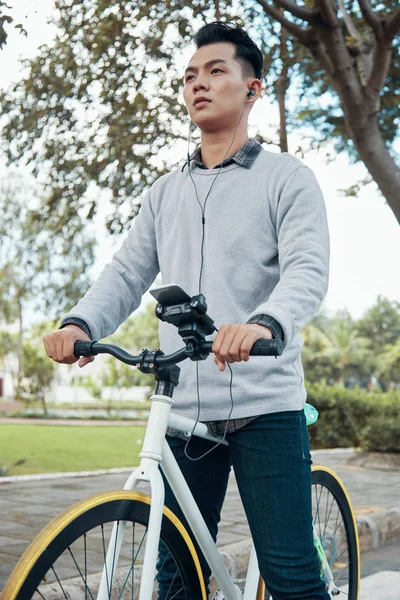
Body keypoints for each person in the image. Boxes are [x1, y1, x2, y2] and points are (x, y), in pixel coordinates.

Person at [43, 21, 330, 600]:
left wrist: (264, 324)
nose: (199, 84)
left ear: (252, 90)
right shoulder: (163, 193)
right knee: (172, 576)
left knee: (291, 576)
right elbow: (126, 274)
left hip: (264, 405)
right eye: (190, 77)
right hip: (187, 411)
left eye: (216, 71)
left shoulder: (288, 180)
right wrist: (81, 323)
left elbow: (306, 271)